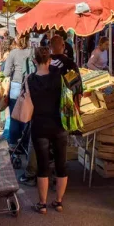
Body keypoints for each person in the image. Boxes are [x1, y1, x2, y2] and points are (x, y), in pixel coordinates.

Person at [20, 35, 83, 187]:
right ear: (63, 45)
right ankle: (57, 176)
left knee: (35, 146)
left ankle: (31, 173)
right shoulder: (68, 64)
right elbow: (77, 89)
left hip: (40, 115)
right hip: (62, 113)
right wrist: (77, 108)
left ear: (50, 46)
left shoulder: (45, 63)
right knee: (60, 149)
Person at [25, 47, 69, 214]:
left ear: (34, 61)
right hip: (59, 124)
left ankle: (42, 203)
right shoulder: (59, 77)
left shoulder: (30, 79)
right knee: (61, 164)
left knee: (42, 165)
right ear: (49, 60)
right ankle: (58, 202)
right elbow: (75, 83)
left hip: (39, 124)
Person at [4, 35, 33, 146]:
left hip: (16, 85)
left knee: (14, 115)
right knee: (27, 115)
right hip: (29, 85)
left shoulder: (13, 53)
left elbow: (6, 73)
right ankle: (25, 143)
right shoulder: (32, 52)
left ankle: (13, 143)